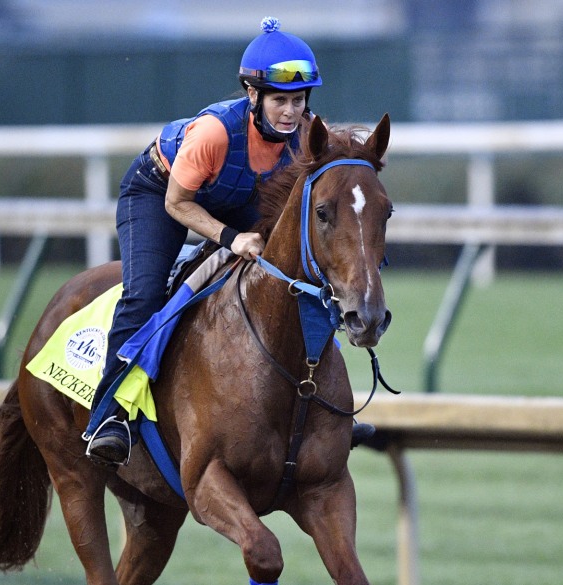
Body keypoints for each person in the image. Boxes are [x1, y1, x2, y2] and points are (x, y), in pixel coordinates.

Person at [86, 17, 375, 467]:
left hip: (237, 195)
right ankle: (110, 415)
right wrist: (231, 238)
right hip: (161, 193)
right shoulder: (214, 133)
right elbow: (177, 204)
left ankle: (325, 408)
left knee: (299, 282)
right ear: (253, 95)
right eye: (279, 100)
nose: (290, 112)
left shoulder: (305, 133)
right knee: (144, 294)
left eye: (298, 100)